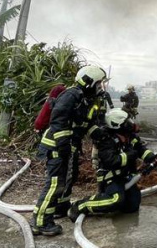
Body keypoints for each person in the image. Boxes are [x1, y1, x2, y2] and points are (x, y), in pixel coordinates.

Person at [31, 65, 107, 236]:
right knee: (55, 183)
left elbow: (85, 123)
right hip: (56, 146)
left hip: (68, 146)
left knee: (69, 178)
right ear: (88, 82)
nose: (100, 87)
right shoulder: (71, 95)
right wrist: (65, 147)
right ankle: (40, 222)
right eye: (98, 83)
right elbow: (58, 122)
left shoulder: (85, 99)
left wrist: (101, 134)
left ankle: (61, 206)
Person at [69, 108, 157, 221]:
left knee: (132, 206)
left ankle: (112, 203)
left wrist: (152, 158)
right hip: (110, 178)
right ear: (117, 124)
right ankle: (80, 205)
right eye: (127, 122)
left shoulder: (130, 136)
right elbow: (112, 161)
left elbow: (140, 149)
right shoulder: (106, 140)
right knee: (116, 199)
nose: (130, 124)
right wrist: (130, 155)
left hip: (125, 177)